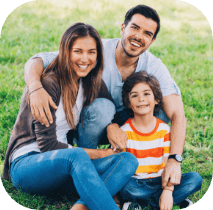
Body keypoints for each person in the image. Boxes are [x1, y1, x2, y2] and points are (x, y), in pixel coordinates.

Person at [24, 5, 186, 189]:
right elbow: (37, 60)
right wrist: (35, 88)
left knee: (162, 112)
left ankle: (146, 171)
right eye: (134, 28)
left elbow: (178, 115)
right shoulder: (96, 51)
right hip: (88, 123)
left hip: (127, 128)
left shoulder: (154, 66)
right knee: (102, 107)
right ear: (123, 28)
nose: (139, 37)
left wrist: (175, 160)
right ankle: (88, 169)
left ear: (153, 40)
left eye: (147, 33)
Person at [2, 23, 139, 210]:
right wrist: (101, 153)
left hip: (64, 168)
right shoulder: (50, 83)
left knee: (127, 160)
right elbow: (47, 146)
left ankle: (81, 206)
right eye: (78, 51)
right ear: (66, 52)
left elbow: (109, 107)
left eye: (91, 52)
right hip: (28, 165)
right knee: (76, 155)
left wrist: (112, 126)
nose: (85, 59)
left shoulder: (91, 81)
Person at [119, 71, 202, 210]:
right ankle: (171, 201)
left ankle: (144, 203)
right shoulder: (124, 131)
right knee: (126, 188)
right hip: (136, 183)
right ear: (128, 103)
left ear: (157, 98)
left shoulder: (164, 130)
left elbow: (168, 165)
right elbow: (121, 168)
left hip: (162, 181)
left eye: (146, 93)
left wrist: (168, 191)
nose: (141, 99)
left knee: (195, 179)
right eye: (134, 95)